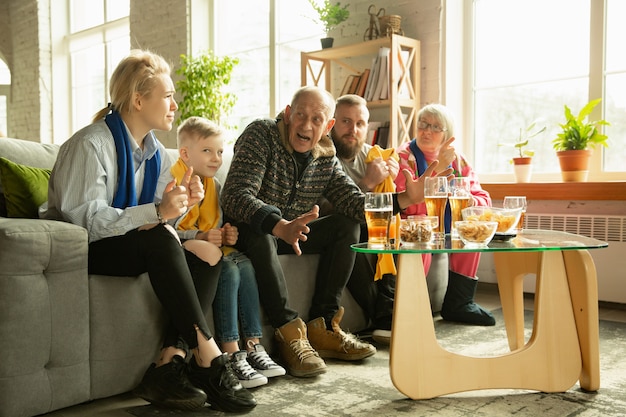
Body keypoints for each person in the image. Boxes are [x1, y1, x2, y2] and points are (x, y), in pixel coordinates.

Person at [39, 50, 256, 413]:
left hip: (132, 243)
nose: (175, 104)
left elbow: (160, 226)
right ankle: (209, 357)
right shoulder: (90, 144)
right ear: (138, 100)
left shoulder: (157, 154)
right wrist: (159, 212)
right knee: (160, 239)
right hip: (81, 249)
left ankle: (169, 363)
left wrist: (178, 205)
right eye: (167, 95)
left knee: (209, 253)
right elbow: (84, 221)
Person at [220, 86, 448, 377]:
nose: (305, 125)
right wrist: (278, 225)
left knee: (346, 224)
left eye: (317, 120)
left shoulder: (325, 154)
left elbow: (353, 203)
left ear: (327, 127)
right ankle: (289, 333)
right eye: (300, 115)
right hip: (250, 231)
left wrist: (404, 199)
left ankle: (323, 325)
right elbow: (236, 195)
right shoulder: (261, 134)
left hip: (292, 233)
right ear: (288, 114)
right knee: (261, 230)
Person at [172, 116, 285, 389]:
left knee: (244, 264)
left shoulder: (214, 184)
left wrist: (226, 233)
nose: (216, 158)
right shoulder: (173, 179)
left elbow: (218, 223)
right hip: (182, 247)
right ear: (186, 154)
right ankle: (230, 352)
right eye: (207, 151)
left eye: (221, 151)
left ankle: (253, 346)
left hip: (211, 247)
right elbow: (168, 227)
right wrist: (198, 236)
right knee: (230, 269)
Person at [395, 103, 495, 327]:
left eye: (435, 127)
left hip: (448, 225)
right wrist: (439, 169)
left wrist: (471, 201)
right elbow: (406, 204)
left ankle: (460, 303)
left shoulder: (459, 160)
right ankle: (412, 307)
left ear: (447, 135)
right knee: (420, 236)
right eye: (423, 124)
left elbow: (483, 198)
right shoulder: (404, 156)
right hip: (415, 223)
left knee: (473, 230)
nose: (427, 131)